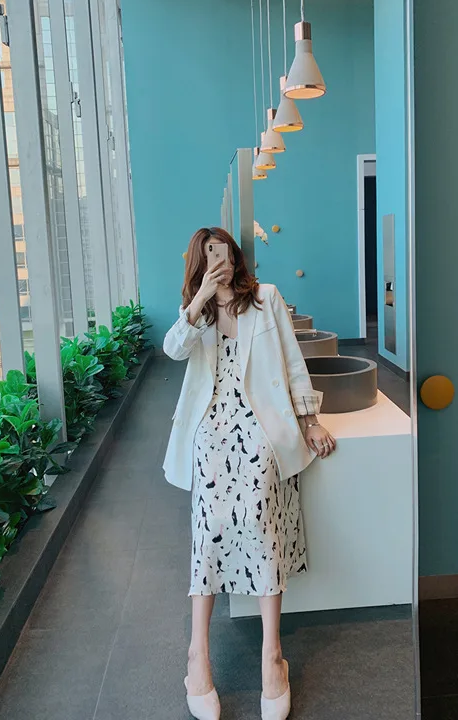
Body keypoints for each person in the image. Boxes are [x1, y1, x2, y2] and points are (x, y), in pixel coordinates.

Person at [163, 227, 336, 720]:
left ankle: (272, 655)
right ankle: (197, 656)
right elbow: (172, 349)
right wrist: (199, 299)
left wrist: (310, 419)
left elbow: (293, 362)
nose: (217, 260)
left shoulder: (266, 298)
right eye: (208, 256)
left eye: (222, 252)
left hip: (259, 424)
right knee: (208, 530)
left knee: (260, 520)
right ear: (198, 265)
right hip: (209, 426)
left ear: (234, 256)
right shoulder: (195, 313)